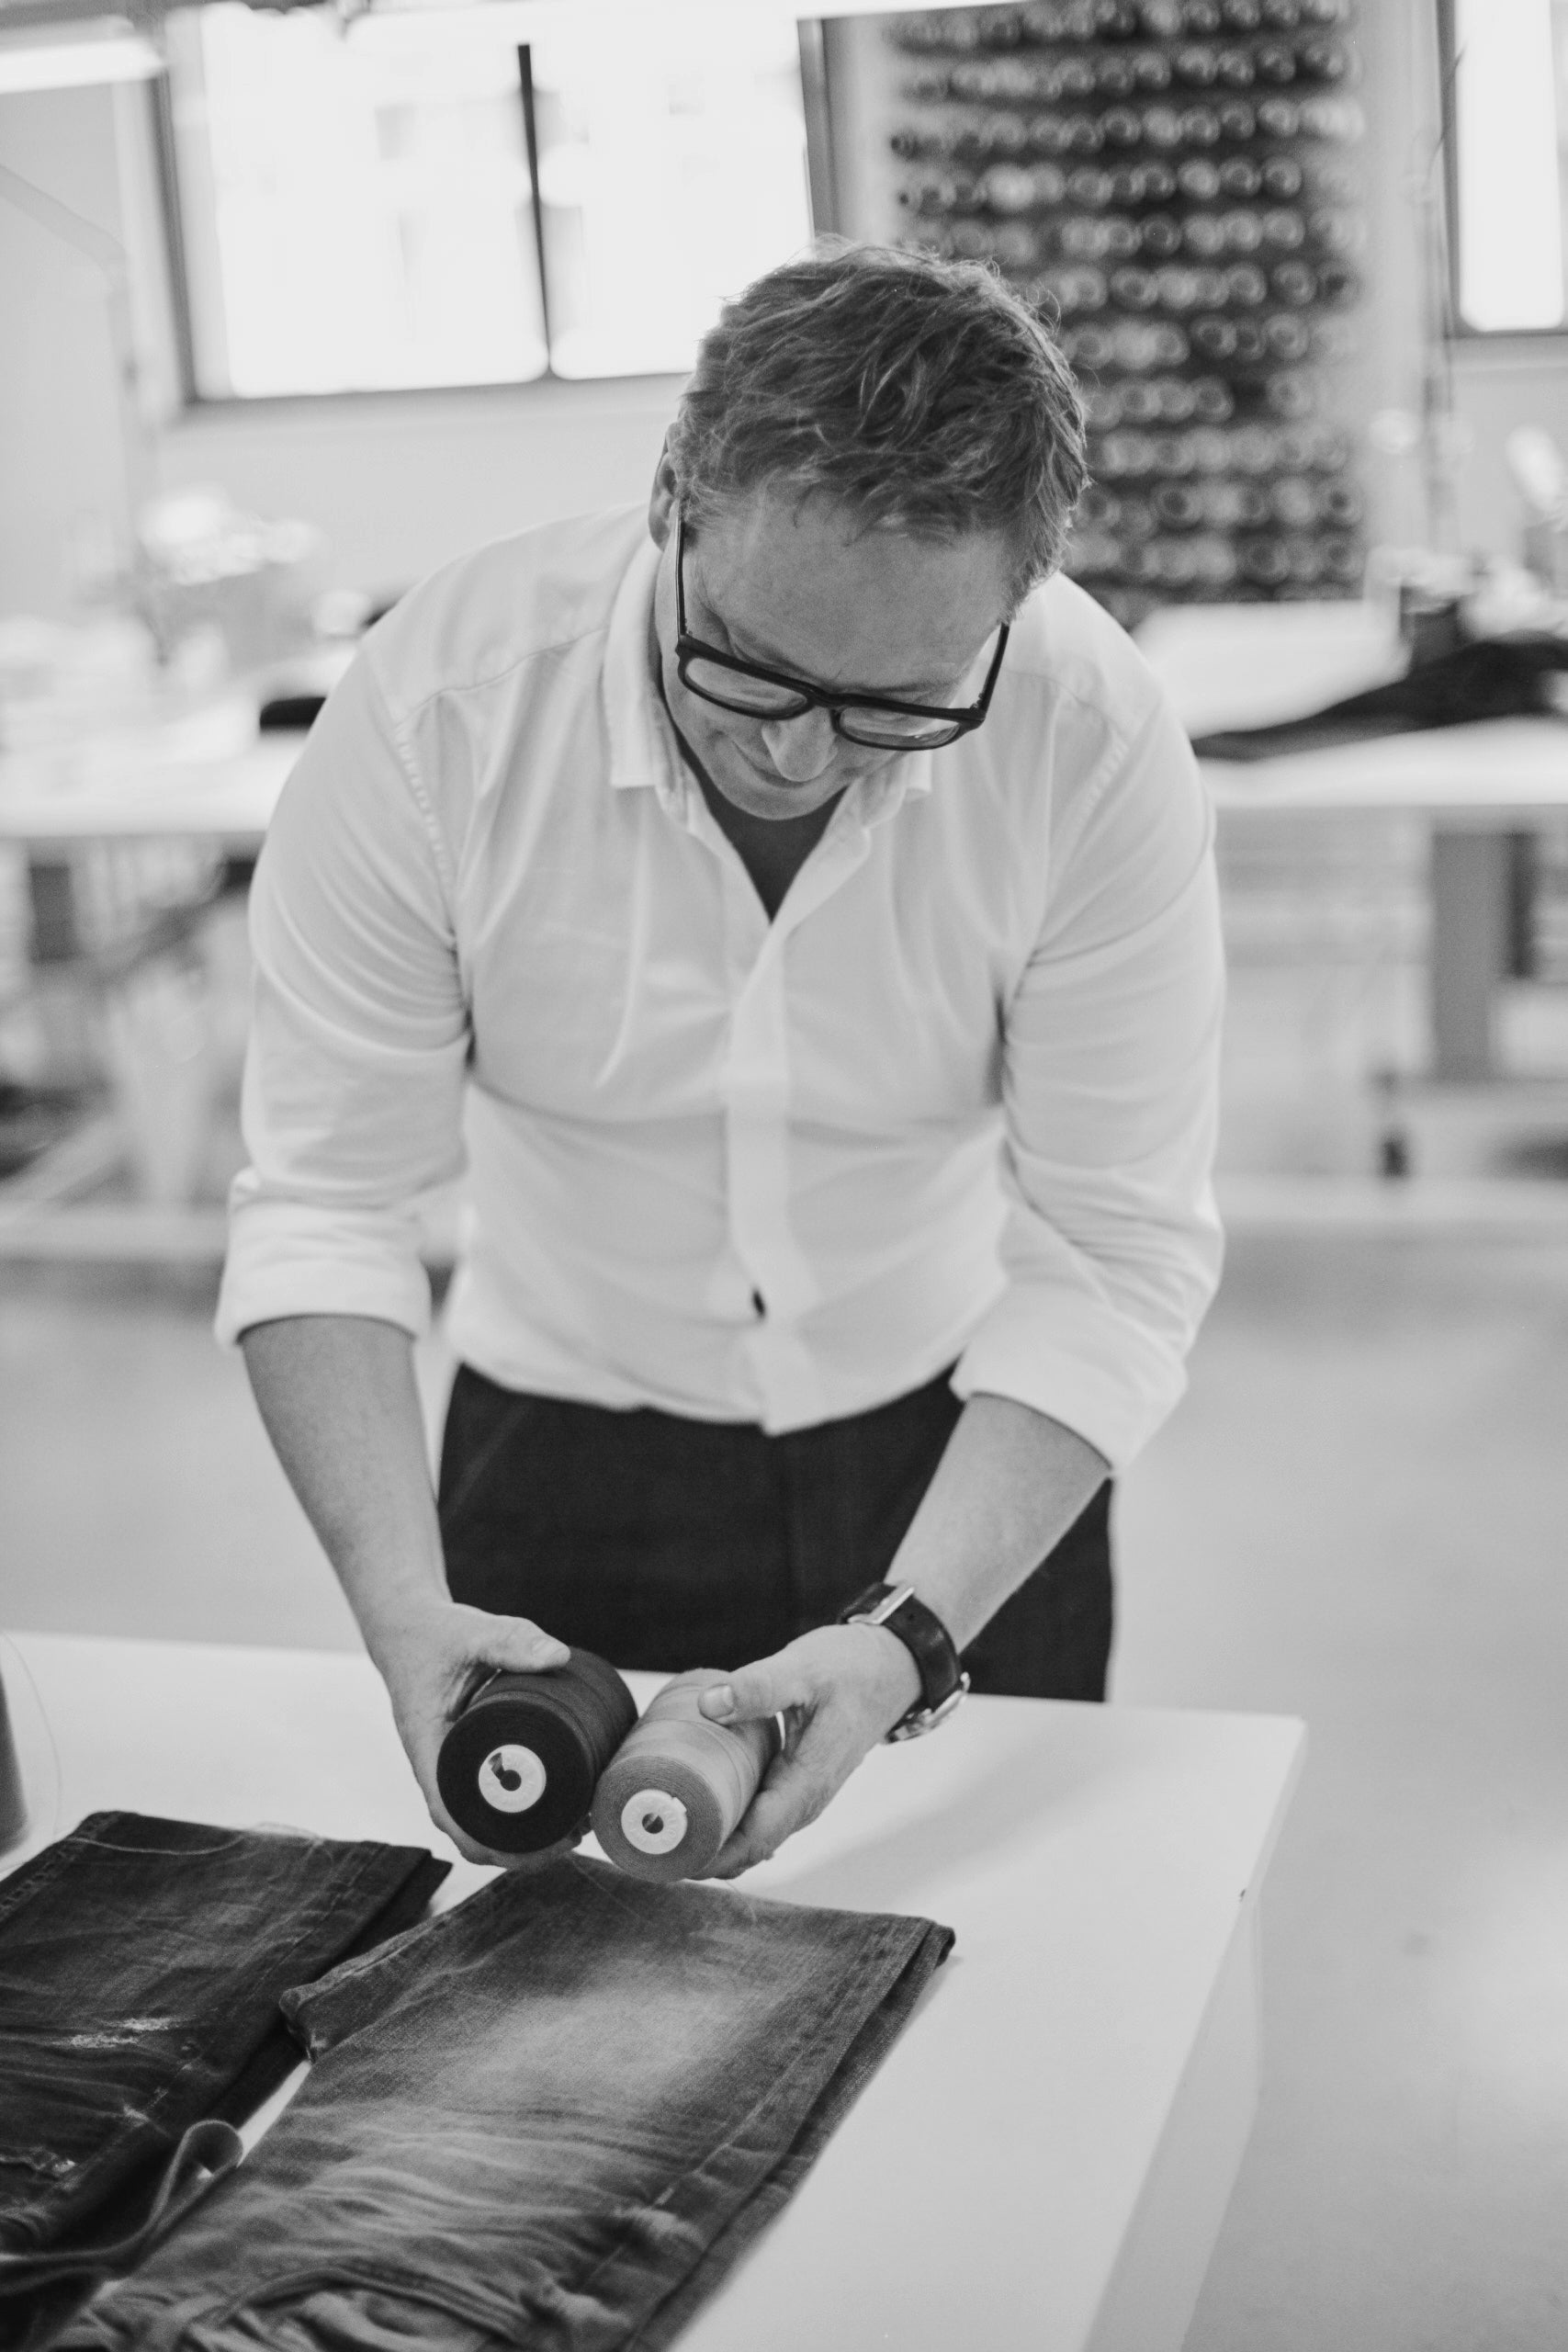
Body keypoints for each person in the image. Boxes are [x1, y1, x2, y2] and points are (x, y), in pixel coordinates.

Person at [219, 241, 1224, 1878]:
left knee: (1007, 1954)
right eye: (746, 664)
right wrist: (400, 1608)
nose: (796, 754)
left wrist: (910, 1632)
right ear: (672, 496)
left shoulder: (1087, 740)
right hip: (561, 1444)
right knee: (547, 1978)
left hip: (963, 1448)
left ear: (1011, 602)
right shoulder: (439, 714)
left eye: (893, 705)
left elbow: (1116, 1248)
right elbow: (327, 1203)